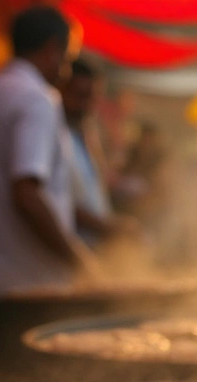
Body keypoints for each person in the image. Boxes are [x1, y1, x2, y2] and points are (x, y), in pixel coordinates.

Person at [0, 7, 98, 375]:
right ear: (53, 48)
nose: (66, 69)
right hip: (31, 286)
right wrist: (80, 262)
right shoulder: (36, 99)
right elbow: (26, 193)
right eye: (68, 57)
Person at [60, 59, 124, 245]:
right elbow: (56, 201)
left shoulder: (83, 135)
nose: (86, 104)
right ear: (62, 90)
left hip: (94, 249)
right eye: (80, 95)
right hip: (71, 251)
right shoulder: (55, 135)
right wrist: (106, 227)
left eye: (92, 97)